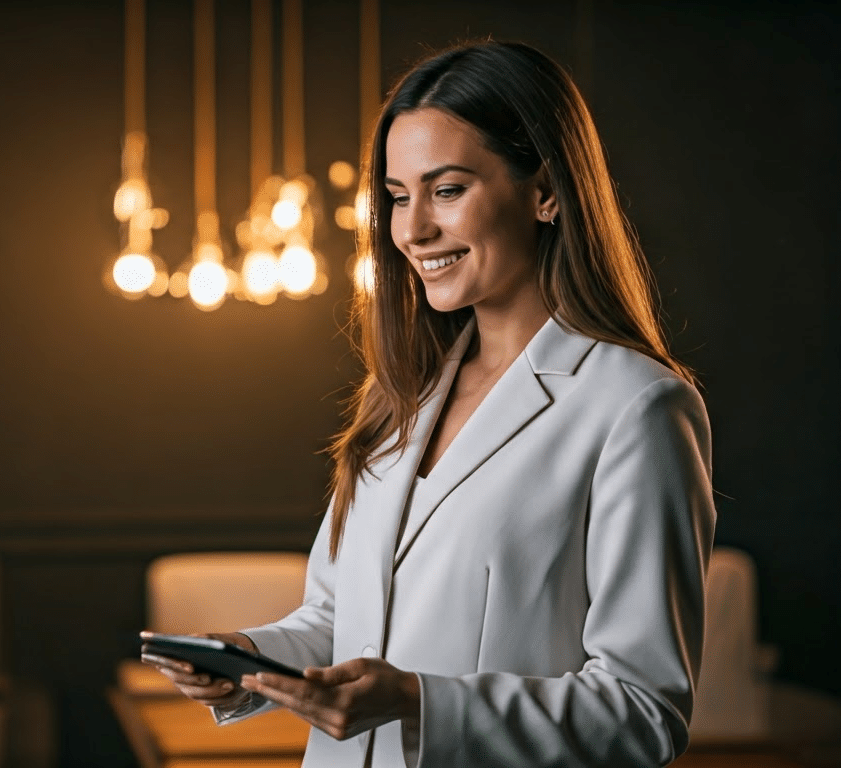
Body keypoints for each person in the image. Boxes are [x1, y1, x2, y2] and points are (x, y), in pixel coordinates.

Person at [142, 40, 715, 767]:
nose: (412, 231)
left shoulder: (637, 407)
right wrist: (246, 658)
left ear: (546, 191)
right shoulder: (401, 396)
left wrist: (419, 701)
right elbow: (339, 620)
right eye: (398, 196)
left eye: (446, 190)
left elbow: (642, 711)